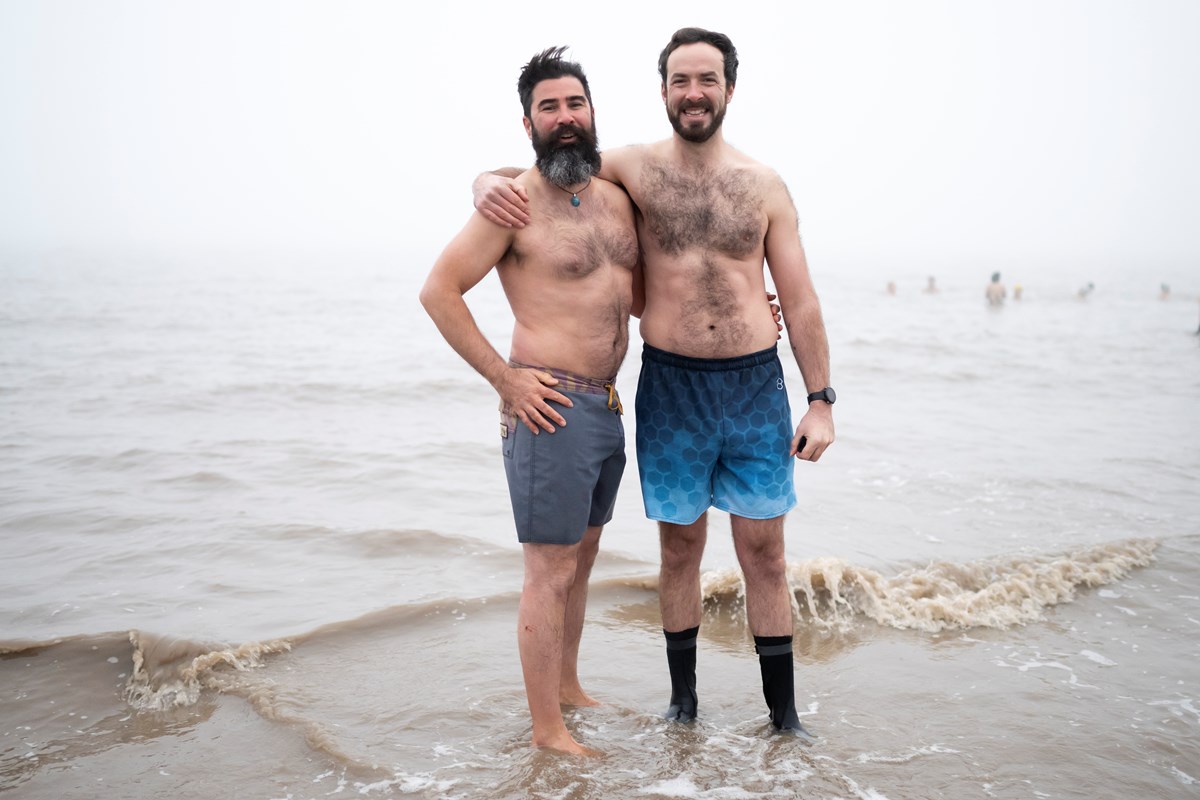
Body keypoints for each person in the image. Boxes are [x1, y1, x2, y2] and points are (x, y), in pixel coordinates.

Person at [474, 27, 834, 736]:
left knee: (765, 552)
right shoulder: (632, 168)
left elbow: (801, 300)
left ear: (729, 88)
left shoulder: (764, 184)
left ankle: (785, 719)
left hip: (757, 387)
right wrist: (483, 181)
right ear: (664, 90)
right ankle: (683, 708)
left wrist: (820, 399)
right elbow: (550, 162)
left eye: (707, 79)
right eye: (680, 80)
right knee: (679, 549)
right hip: (671, 387)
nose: (694, 93)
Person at [419, 46, 638, 756]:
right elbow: (438, 291)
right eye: (549, 108)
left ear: (592, 111)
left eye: (574, 103)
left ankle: (568, 690)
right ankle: (548, 732)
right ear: (528, 123)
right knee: (549, 571)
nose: (565, 118)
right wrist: (504, 380)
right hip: (550, 407)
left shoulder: (615, 197)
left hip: (607, 408)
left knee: (584, 556)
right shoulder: (513, 201)